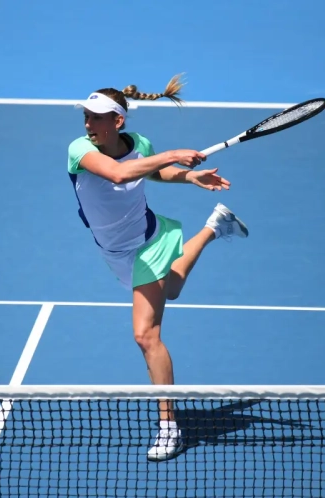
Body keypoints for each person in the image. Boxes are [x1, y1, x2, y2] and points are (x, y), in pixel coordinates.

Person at [66, 75, 249, 461]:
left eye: (96, 118)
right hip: (115, 252)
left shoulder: (141, 145)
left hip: (147, 242)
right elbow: (118, 174)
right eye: (86, 116)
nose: (88, 124)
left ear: (118, 122)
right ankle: (215, 226)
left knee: (145, 336)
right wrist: (172, 155)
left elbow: (152, 171)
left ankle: (169, 427)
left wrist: (190, 176)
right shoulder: (80, 150)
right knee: (173, 288)